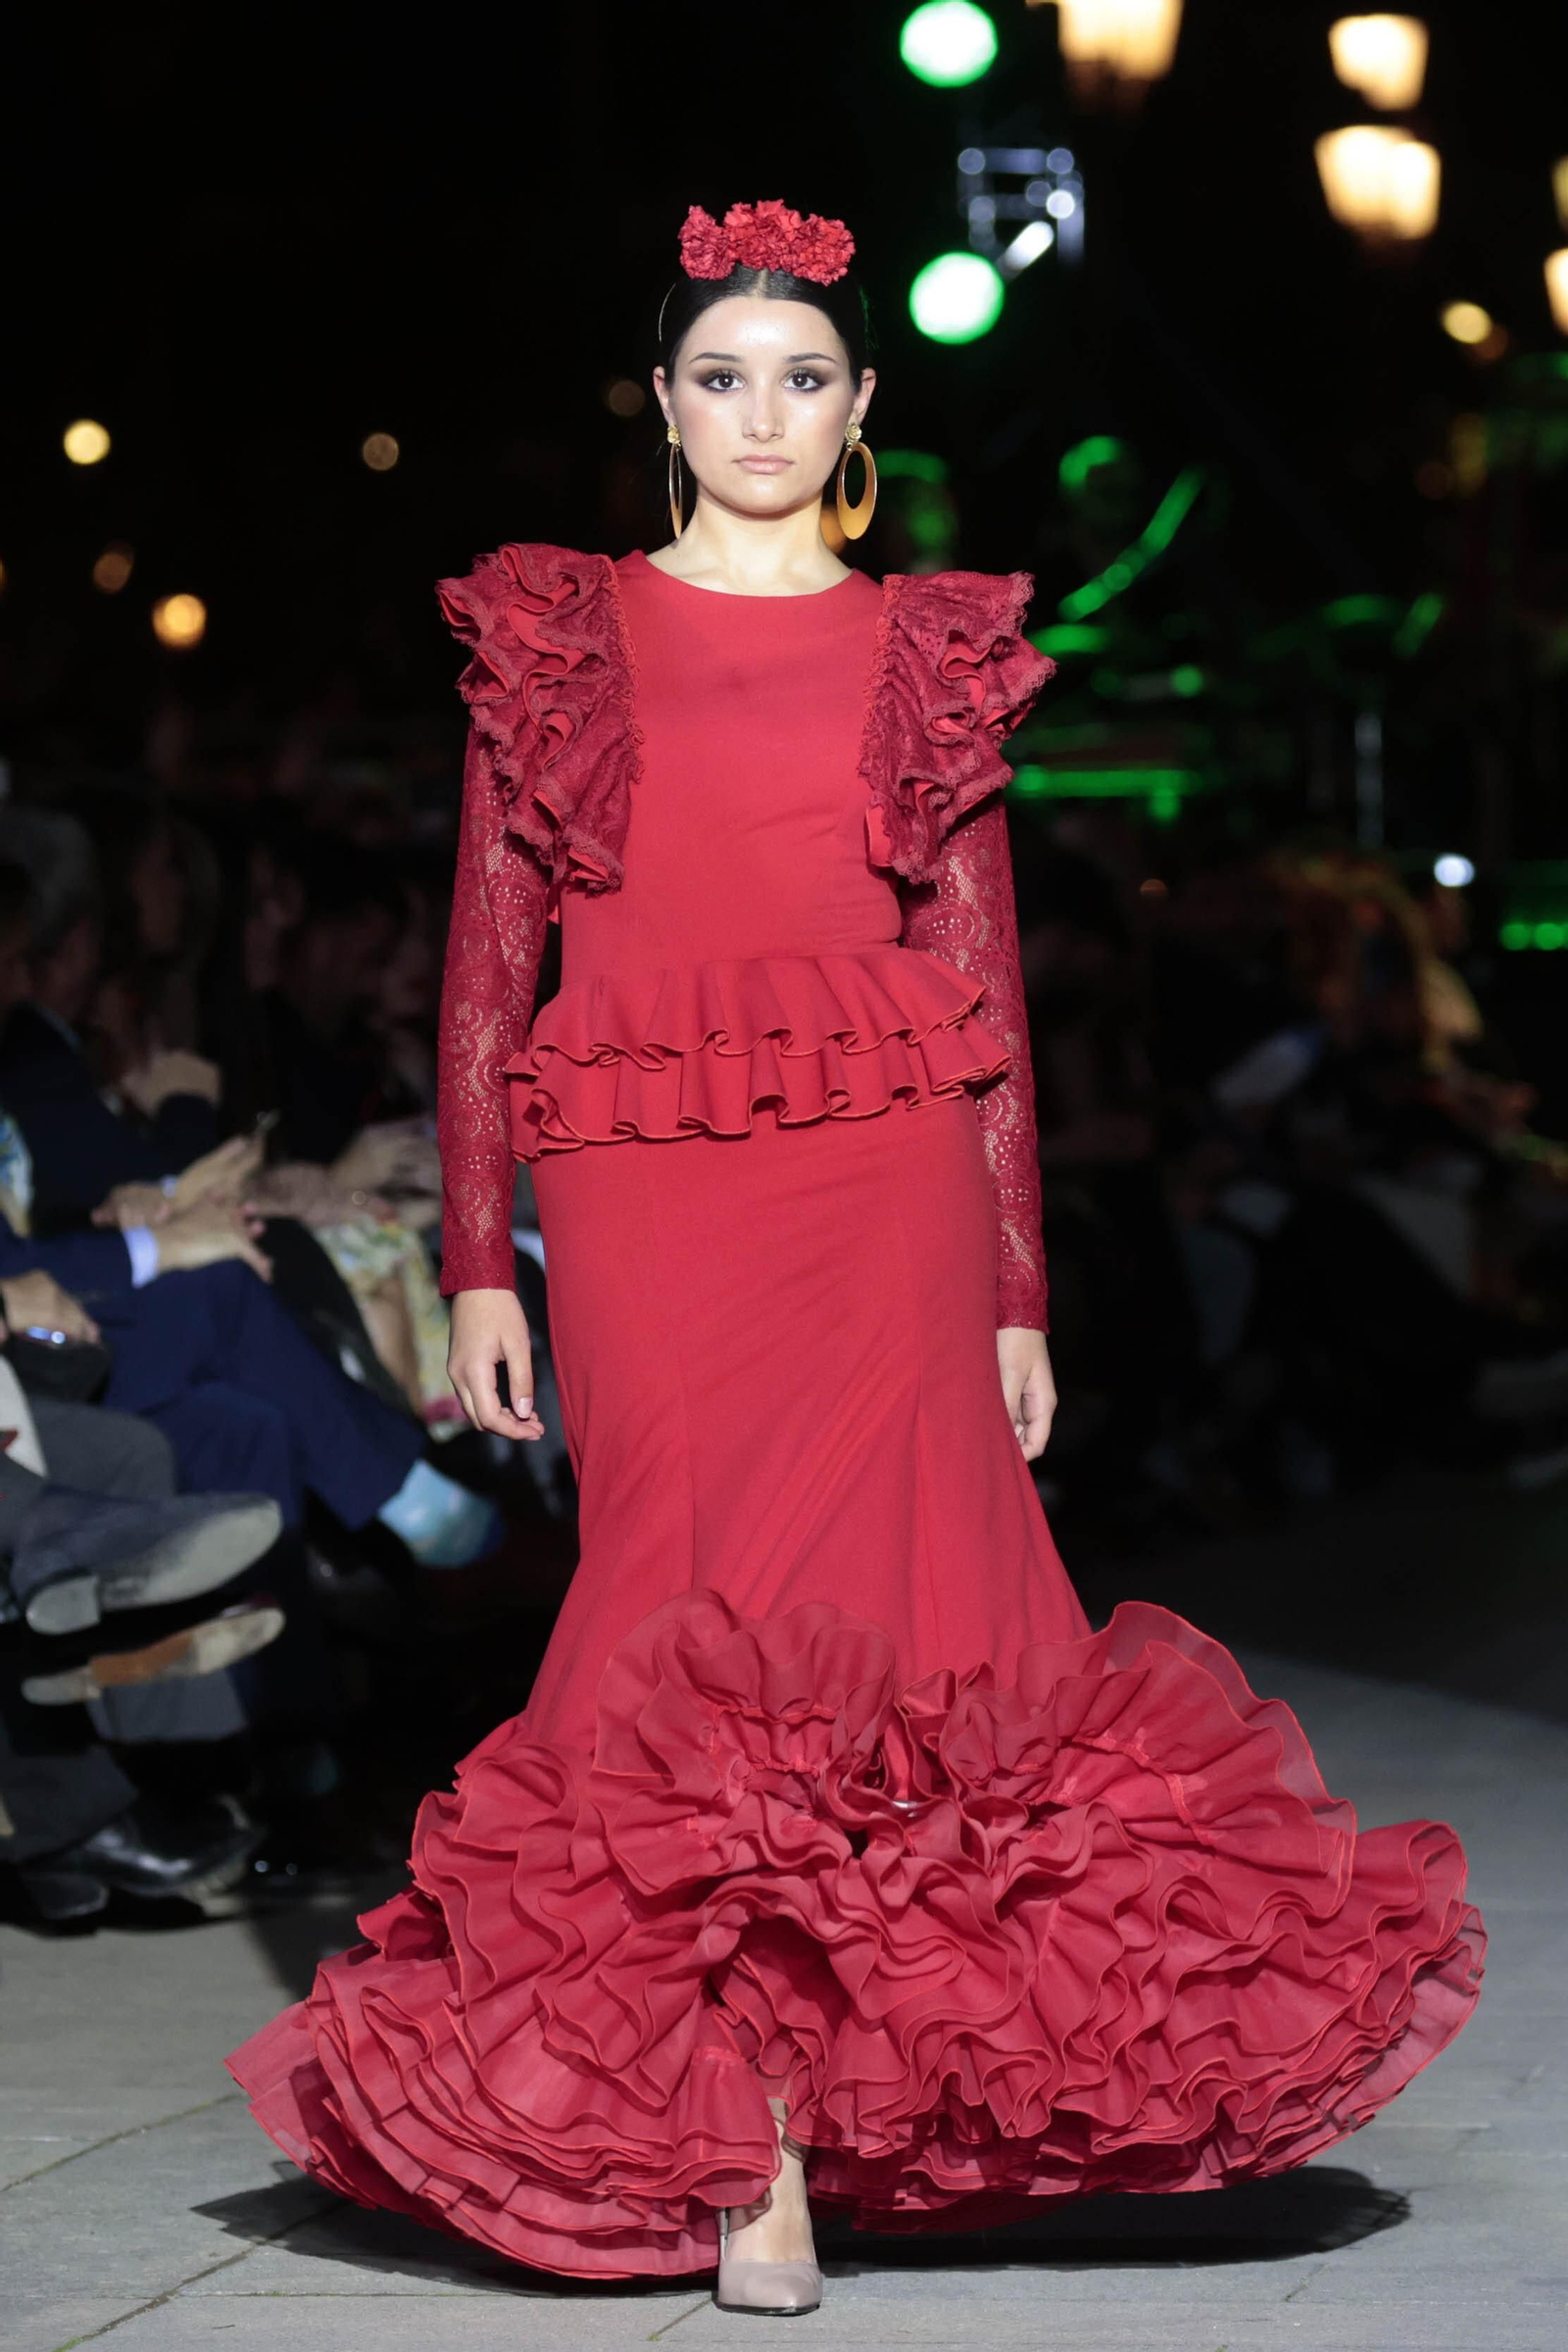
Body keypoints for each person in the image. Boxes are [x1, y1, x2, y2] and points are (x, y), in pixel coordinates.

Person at [227, 200, 1485, 2314]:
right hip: (645, 1195)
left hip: (884, 1189)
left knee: (918, 1647)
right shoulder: (560, 633)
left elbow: (977, 977)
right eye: (721, 378)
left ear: (860, 410)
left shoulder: (924, 646)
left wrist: (1015, 1291)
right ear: (661, 404)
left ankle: (811, 2137)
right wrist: (472, 1264)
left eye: (800, 379)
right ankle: (731, 2131)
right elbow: (476, 972)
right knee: (672, 1624)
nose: (760, 415)